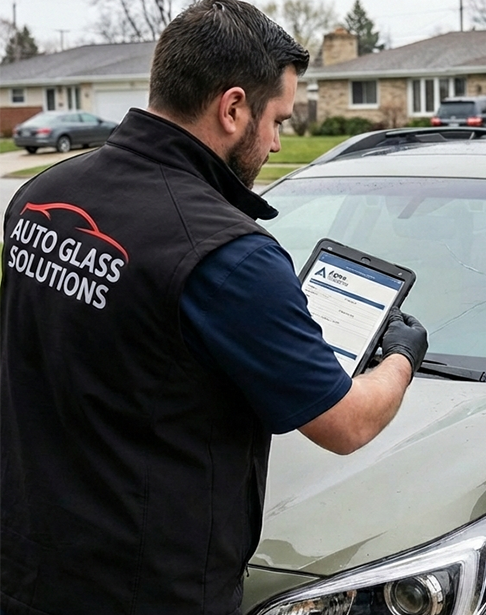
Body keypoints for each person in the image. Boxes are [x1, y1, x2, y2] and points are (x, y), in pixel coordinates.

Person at [0, 1, 427, 613]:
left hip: (25, 563)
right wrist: (402, 357)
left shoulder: (43, 194)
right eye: (277, 120)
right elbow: (346, 423)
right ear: (232, 108)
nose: (276, 142)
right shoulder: (228, 254)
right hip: (146, 588)